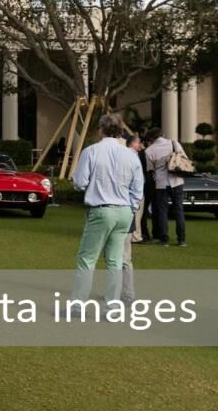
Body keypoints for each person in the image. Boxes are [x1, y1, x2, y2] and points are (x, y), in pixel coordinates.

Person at [71, 112, 144, 303]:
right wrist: (132, 206)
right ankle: (113, 306)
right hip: (124, 211)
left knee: (87, 258)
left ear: (101, 130)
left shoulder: (91, 151)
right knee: (115, 261)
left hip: (102, 209)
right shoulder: (131, 155)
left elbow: (79, 182)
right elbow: (138, 188)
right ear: (120, 131)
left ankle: (78, 305)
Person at [144, 126, 188, 247]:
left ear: (152, 138)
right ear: (162, 134)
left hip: (161, 183)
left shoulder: (149, 150)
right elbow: (185, 159)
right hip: (177, 181)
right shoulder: (174, 143)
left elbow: (150, 169)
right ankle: (181, 239)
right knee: (179, 210)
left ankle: (164, 240)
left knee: (162, 211)